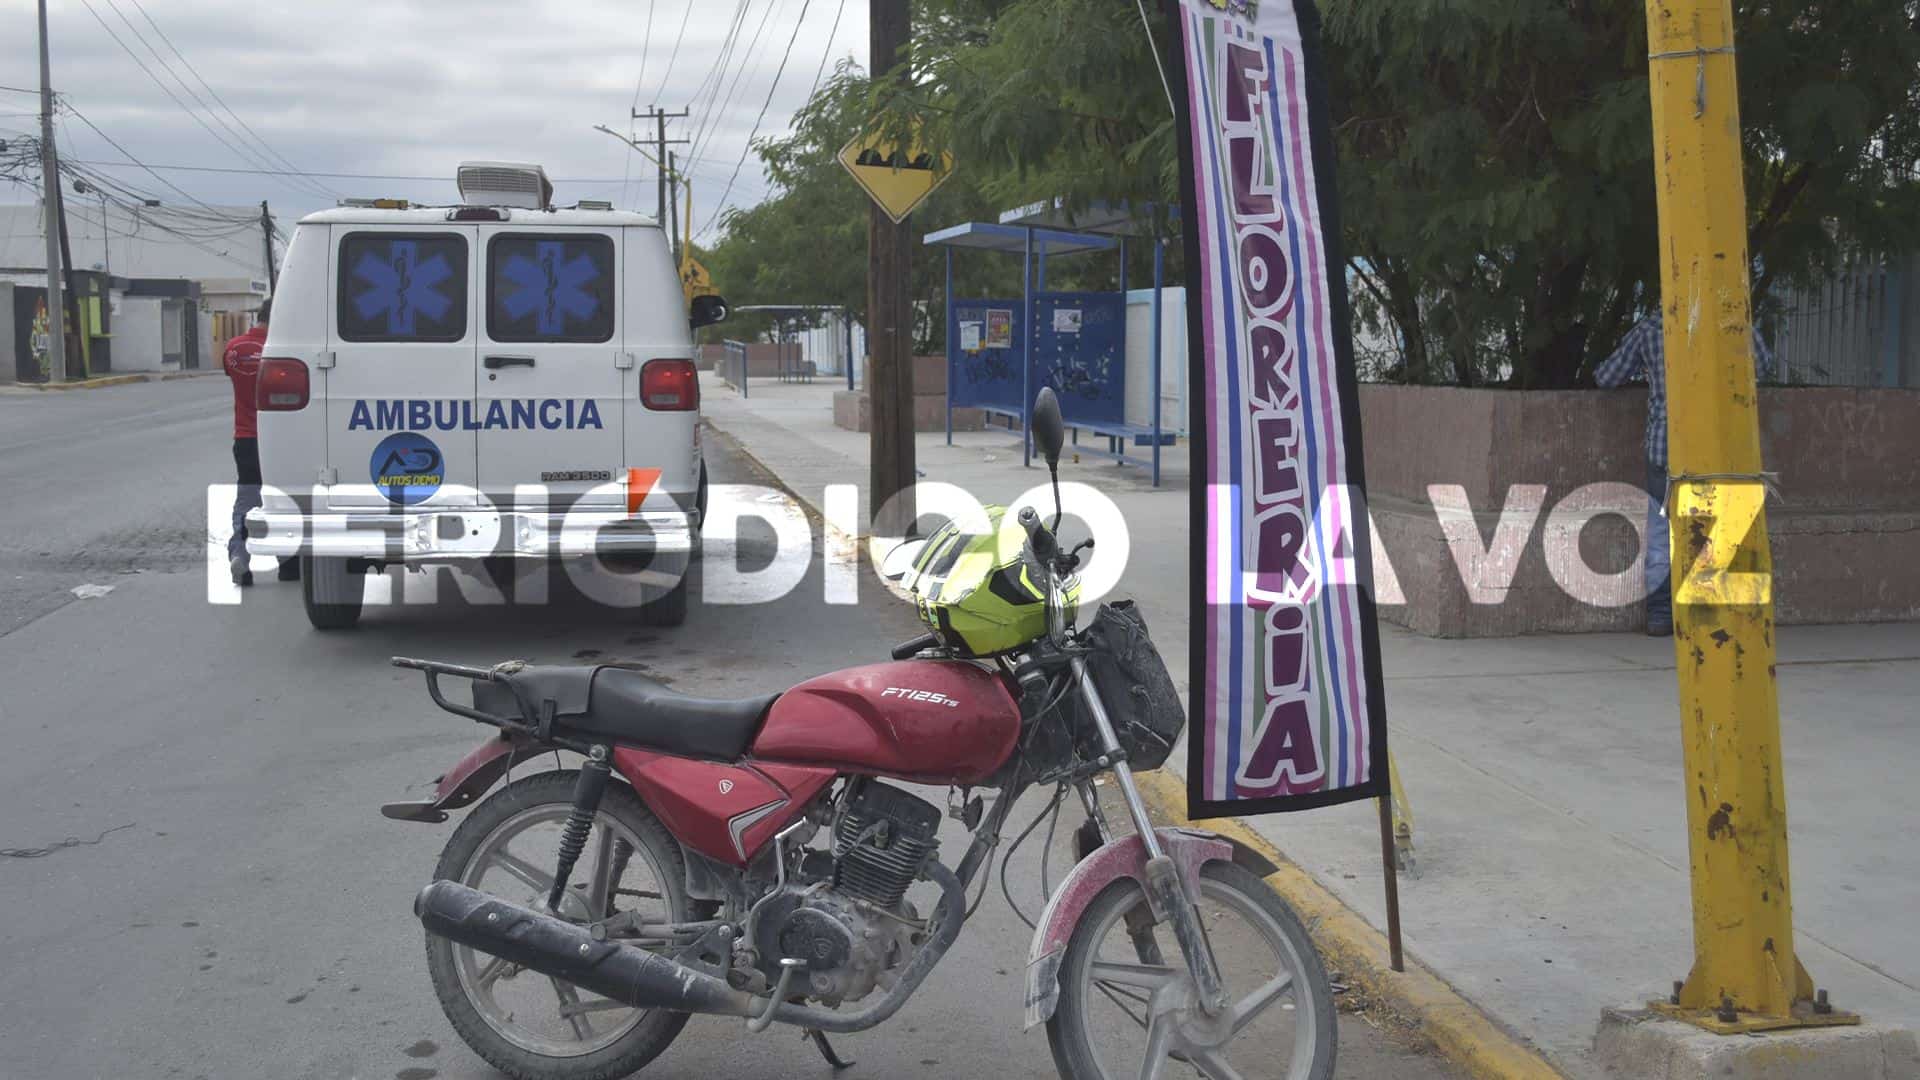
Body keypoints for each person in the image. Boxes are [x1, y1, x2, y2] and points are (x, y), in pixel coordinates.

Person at [1595, 310, 1772, 637]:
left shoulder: (1652, 327)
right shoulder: (1730, 319)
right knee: (1713, 533)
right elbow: (1762, 365)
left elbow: (1608, 376)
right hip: (1717, 451)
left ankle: (1661, 614)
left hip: (1665, 449)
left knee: (1661, 533)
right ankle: (1705, 614)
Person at [224, 299, 297, 586]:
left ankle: (239, 554)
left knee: (247, 499)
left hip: (245, 438)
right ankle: (289, 565)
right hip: (279, 440)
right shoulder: (283, 349)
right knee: (282, 501)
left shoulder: (233, 349)